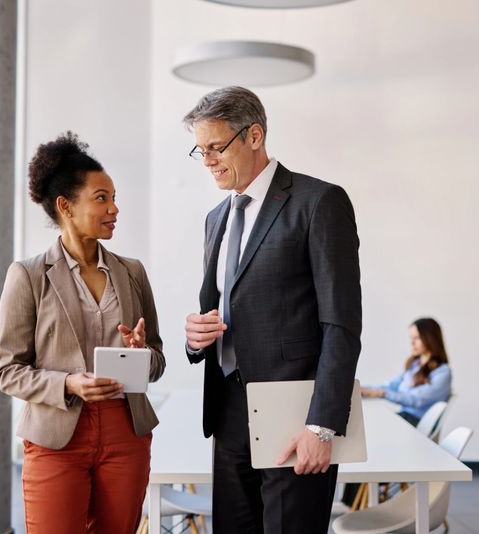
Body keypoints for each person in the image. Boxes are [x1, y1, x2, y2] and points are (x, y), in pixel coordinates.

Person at [182, 86, 362, 534]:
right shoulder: (215, 218)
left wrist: (322, 426)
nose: (207, 160)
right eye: (199, 150)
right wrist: (197, 335)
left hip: (294, 416)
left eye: (216, 147)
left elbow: (341, 324)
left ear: (255, 135)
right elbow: (227, 305)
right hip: (227, 413)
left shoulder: (319, 202)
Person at [0, 132, 165, 533]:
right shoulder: (29, 276)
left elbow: (157, 359)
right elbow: (8, 371)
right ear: (66, 207)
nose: (114, 208)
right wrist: (69, 382)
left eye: (114, 197)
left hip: (126, 431)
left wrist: (141, 354)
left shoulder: (132, 272)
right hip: (57, 436)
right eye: (101, 198)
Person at [361, 317, 451, 426]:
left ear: (430, 338)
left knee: (373, 425)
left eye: (417, 338)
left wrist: (382, 393)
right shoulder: (414, 365)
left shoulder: (443, 372)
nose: (412, 343)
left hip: (418, 423)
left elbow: (416, 400)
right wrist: (363, 389)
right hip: (405, 417)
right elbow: (391, 385)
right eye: (411, 338)